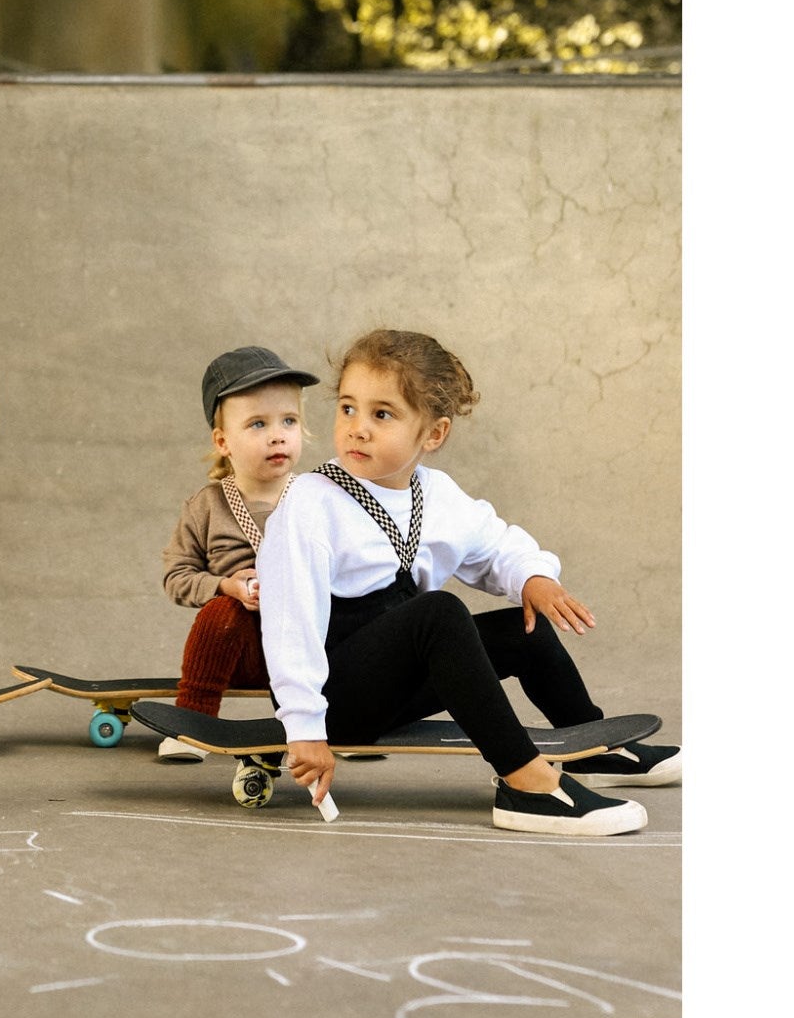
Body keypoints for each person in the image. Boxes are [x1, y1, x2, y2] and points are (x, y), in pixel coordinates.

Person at [255, 329, 680, 836]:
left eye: (382, 414)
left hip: (394, 686)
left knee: (523, 629)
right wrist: (304, 726)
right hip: (334, 699)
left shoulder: (435, 495)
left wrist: (532, 577)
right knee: (439, 612)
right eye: (348, 409)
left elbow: (496, 544)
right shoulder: (311, 501)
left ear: (433, 435)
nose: (357, 429)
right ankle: (526, 784)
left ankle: (590, 749)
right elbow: (290, 622)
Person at [159, 348, 319, 775]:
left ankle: (343, 722)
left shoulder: (319, 499)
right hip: (244, 650)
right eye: (258, 424)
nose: (277, 436)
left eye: (289, 421)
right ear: (222, 441)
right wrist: (225, 586)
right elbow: (176, 576)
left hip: (307, 648)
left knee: (352, 620)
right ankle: (192, 721)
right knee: (222, 615)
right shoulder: (206, 507)